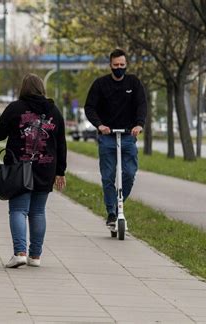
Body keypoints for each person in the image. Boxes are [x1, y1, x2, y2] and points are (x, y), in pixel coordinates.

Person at [0, 73, 67, 268]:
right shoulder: (54, 111)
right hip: (46, 167)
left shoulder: (15, 108)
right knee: (38, 212)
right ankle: (35, 256)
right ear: (42, 89)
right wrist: (61, 171)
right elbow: (61, 143)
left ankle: (19, 253)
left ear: (23, 89)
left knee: (18, 210)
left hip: (19, 168)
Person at [84, 49, 147, 228]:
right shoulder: (100, 84)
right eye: (116, 65)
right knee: (108, 176)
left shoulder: (134, 83)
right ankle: (112, 212)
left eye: (122, 65)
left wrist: (139, 124)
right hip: (107, 137)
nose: (119, 68)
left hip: (128, 136)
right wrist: (100, 125)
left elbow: (142, 105)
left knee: (129, 173)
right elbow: (89, 107)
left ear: (126, 65)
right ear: (110, 65)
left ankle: (119, 205)